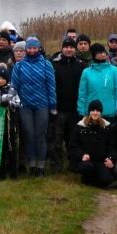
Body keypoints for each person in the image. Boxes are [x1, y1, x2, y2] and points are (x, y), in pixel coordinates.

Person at [11, 36, 57, 177]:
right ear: (26, 49)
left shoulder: (46, 64)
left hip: (42, 104)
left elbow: (51, 85)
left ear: (39, 48)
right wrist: (14, 104)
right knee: (29, 135)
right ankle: (31, 164)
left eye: (34, 47)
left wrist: (53, 105)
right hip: (25, 106)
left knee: (40, 136)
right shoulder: (19, 66)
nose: (32, 50)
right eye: (29, 48)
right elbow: (14, 87)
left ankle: (41, 167)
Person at [50, 38, 84, 172]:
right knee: (56, 141)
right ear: (62, 48)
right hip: (58, 109)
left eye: (71, 47)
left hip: (74, 110)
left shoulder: (80, 66)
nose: (69, 49)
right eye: (66, 47)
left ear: (74, 49)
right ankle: (56, 166)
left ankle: (73, 165)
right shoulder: (54, 64)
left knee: (73, 140)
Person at [69, 100, 117, 188]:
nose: (95, 113)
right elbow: (73, 147)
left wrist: (111, 158)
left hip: (100, 161)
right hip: (86, 161)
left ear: (101, 112)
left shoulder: (107, 127)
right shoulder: (80, 127)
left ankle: (97, 179)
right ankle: (87, 179)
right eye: (93, 110)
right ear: (89, 112)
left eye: (98, 111)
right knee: (88, 167)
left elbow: (112, 146)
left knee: (106, 180)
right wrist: (81, 155)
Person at [0, 64, 22, 180]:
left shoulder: (11, 90)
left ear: (6, 79)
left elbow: (18, 103)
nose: (0, 81)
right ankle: (1, 172)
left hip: (10, 124)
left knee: (11, 148)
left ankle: (13, 173)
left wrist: (9, 104)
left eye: (3, 78)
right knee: (0, 149)